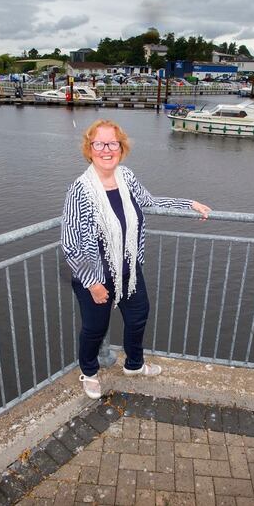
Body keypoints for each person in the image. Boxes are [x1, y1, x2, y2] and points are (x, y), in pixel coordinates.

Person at [61, 119, 211, 399]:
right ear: (89, 148)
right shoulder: (79, 191)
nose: (107, 149)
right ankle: (89, 372)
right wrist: (93, 283)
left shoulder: (126, 177)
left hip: (128, 269)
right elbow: (70, 243)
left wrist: (188, 204)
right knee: (95, 329)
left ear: (121, 147)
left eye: (113, 143)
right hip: (93, 276)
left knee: (138, 316)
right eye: (99, 144)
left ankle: (134, 364)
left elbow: (150, 201)